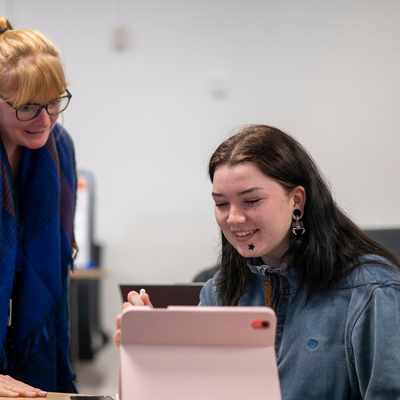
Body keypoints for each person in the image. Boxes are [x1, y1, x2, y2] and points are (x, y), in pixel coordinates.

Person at [115, 124, 400, 399]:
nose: (233, 218)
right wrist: (150, 353)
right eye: (221, 203)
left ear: (297, 201)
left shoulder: (372, 292)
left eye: (251, 201)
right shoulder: (221, 291)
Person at [0, 17, 77, 396]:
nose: (45, 120)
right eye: (29, 107)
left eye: (53, 103)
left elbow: (51, 274)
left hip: (35, 358)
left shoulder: (58, 148)